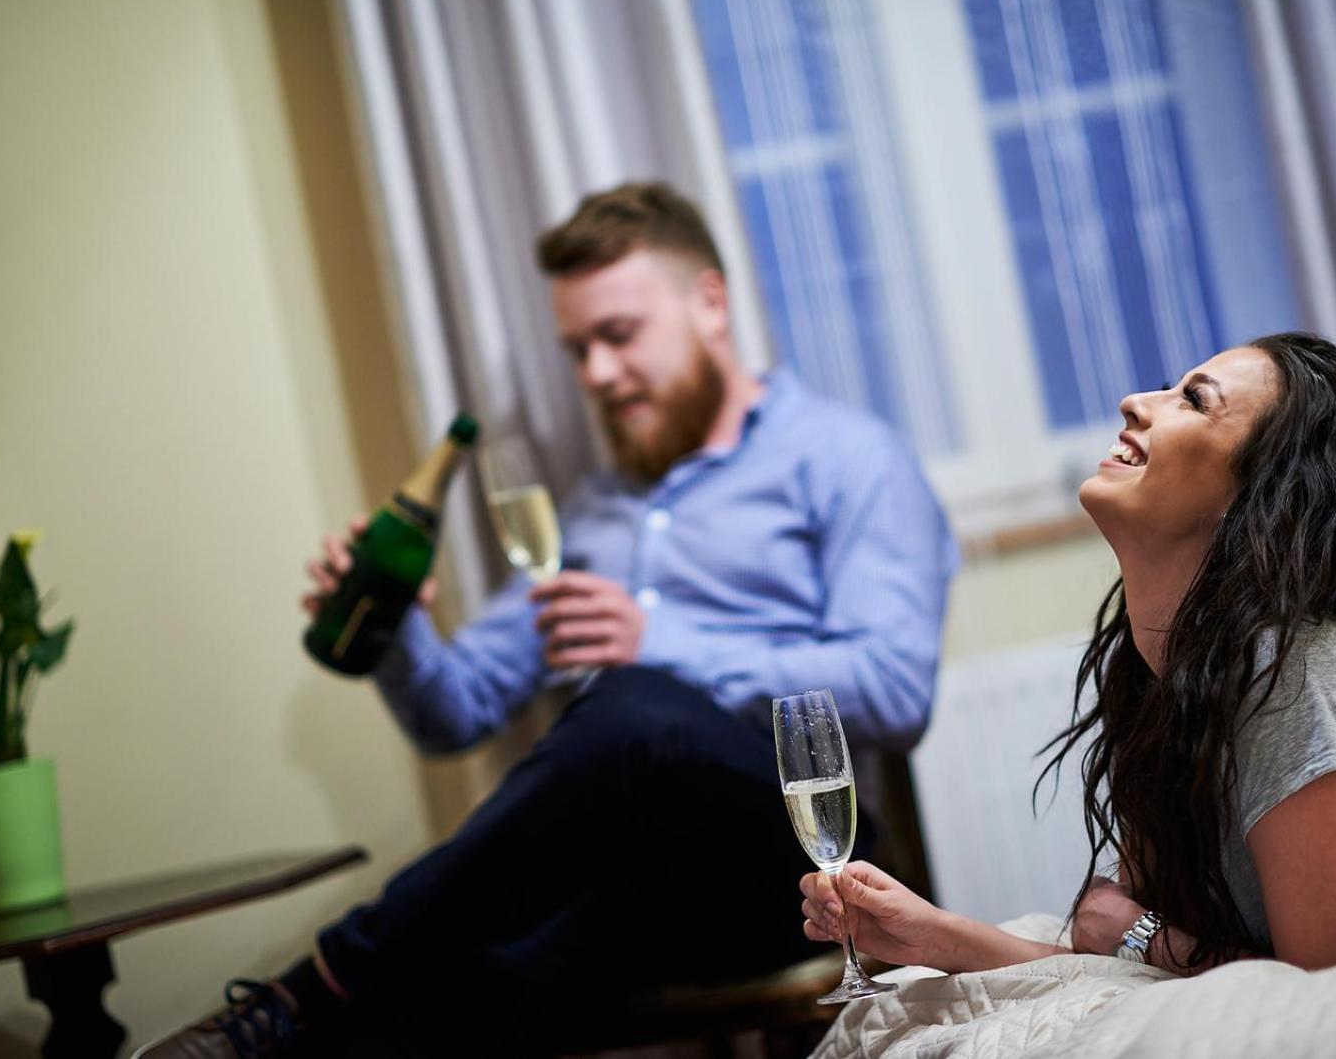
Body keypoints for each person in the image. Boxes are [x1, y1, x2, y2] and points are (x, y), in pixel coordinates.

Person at [139, 183, 955, 1057]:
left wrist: (658, 645)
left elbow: (896, 689)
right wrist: (391, 626)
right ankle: (288, 1025)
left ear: (710, 304)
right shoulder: (592, 513)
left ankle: (311, 983)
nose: (595, 374)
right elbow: (454, 712)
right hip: (631, 894)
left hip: (799, 870)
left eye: (619, 335)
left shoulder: (845, 457)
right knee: (425, 1003)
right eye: (578, 350)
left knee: (635, 703)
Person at [799, 333, 1336, 980]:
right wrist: (936, 938)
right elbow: (1119, 949)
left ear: (1256, 494)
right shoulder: (1166, 677)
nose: (1135, 402)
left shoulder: (1290, 669)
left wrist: (1139, 935)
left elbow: (1328, 994)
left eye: (1193, 400)